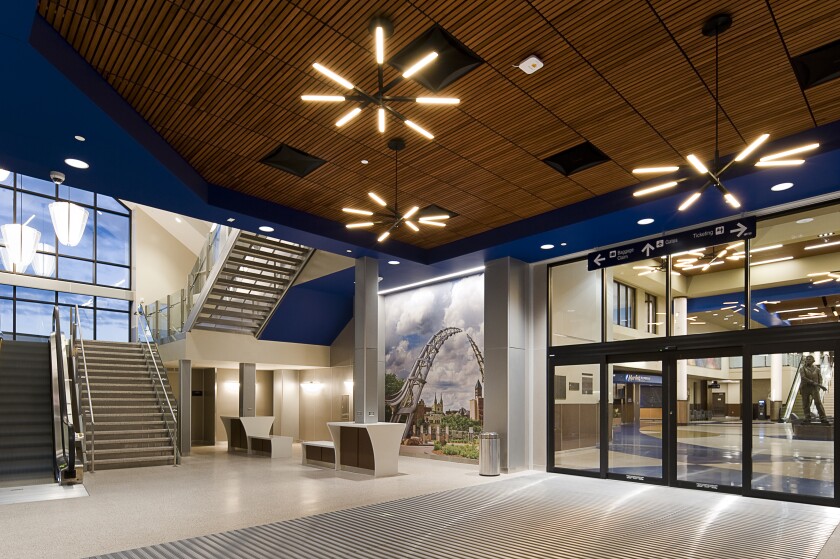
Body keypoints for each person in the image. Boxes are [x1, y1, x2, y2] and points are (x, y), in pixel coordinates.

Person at [799, 355, 829, 423]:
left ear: (813, 361)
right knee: (805, 403)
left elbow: (820, 378)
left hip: (814, 388)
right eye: (807, 359)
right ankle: (807, 418)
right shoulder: (802, 369)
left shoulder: (817, 369)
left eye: (809, 359)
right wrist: (813, 382)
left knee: (818, 402)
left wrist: (818, 386)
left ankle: (823, 418)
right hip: (805, 387)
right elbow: (803, 377)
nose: (807, 360)